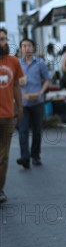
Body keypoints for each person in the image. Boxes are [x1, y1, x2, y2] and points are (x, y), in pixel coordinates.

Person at [17, 38, 50, 169]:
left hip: (37, 102)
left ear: (33, 48)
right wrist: (18, 82)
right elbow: (13, 80)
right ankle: (25, 157)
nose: (27, 48)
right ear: (20, 49)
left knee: (37, 131)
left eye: (29, 45)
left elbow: (47, 80)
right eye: (24, 46)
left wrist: (40, 93)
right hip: (23, 103)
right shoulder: (17, 64)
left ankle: (35, 156)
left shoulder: (40, 63)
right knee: (22, 131)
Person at [0, 28, 24, 203]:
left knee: (4, 156)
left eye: (4, 39)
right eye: (0, 39)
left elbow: (16, 85)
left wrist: (20, 106)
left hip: (8, 115)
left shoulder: (14, 61)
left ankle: (0, 190)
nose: (3, 43)